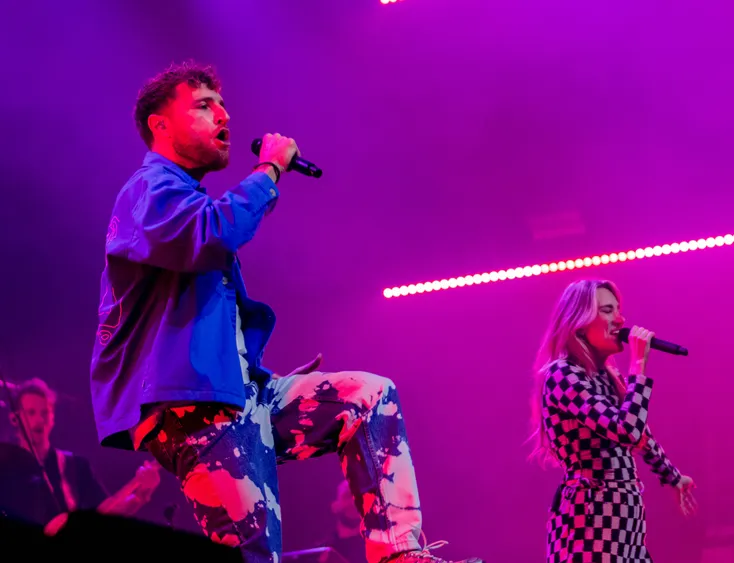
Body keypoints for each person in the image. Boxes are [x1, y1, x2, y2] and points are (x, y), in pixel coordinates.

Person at [89, 60, 480, 563]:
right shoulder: (149, 190)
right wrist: (269, 169)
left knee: (369, 397)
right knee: (254, 553)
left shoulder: (181, 198)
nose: (223, 115)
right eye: (204, 106)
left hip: (235, 393)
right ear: (159, 125)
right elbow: (215, 234)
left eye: (222, 104)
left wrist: (255, 375)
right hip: (193, 406)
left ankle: (399, 554)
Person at [529, 279, 698, 563]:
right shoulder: (563, 374)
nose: (620, 319)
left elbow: (642, 436)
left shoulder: (607, 376)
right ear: (580, 324)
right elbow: (626, 431)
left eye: (618, 310)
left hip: (625, 514)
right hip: (591, 517)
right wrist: (638, 366)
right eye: (607, 310)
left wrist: (672, 476)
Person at [0, 378, 160, 531]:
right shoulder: (6, 467)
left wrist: (142, 494)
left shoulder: (75, 466)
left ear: (53, 418)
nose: (39, 420)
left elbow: (108, 513)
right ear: (15, 418)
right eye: (31, 413)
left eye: (45, 413)